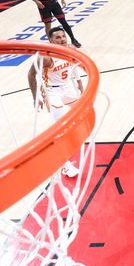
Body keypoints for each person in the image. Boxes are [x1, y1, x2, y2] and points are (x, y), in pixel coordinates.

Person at [26, 27, 83, 177]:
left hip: (67, 86)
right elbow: (31, 75)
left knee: (82, 113)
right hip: (51, 91)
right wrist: (35, 96)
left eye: (63, 36)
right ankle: (65, 165)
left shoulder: (69, 49)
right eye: (57, 38)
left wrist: (78, 81)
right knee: (60, 127)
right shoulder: (45, 57)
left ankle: (78, 138)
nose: (62, 39)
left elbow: (74, 64)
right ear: (50, 41)